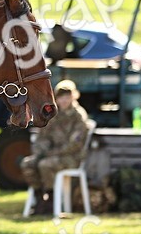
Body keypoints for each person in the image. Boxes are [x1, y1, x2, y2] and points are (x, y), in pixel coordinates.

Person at [21, 79, 92, 213]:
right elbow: (43, 136)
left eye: (67, 97)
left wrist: (51, 153)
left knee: (45, 165)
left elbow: (75, 144)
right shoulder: (53, 115)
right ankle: (39, 198)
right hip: (50, 155)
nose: (64, 101)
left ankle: (51, 200)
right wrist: (40, 151)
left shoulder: (78, 116)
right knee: (28, 164)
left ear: (73, 97)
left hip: (71, 157)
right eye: (61, 97)